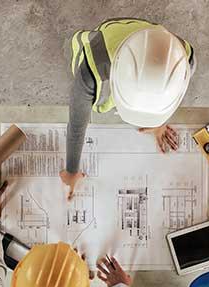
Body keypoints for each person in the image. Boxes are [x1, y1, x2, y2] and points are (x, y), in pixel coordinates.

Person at [61, 18, 197, 199]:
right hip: (108, 37)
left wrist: (157, 123)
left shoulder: (183, 59)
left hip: (146, 39)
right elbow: (77, 126)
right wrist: (71, 171)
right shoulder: (91, 69)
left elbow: (165, 90)